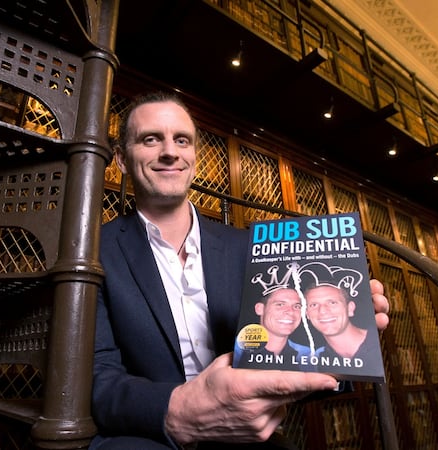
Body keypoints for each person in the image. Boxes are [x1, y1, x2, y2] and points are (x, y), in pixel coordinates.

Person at [91, 91, 390, 449]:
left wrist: (344, 347)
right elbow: (95, 377)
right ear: (122, 160)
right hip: (146, 437)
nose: (170, 151)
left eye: (182, 140)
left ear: (195, 159)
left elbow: (284, 360)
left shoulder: (249, 248)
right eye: (151, 139)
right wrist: (178, 411)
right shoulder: (95, 250)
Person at [300, 262, 383, 376]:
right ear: (307, 314)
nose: (323, 311)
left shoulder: (377, 345)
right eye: (314, 305)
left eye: (332, 302)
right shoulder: (319, 362)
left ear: (350, 308)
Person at [233, 276, 322, 370]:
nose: (290, 311)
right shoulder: (236, 350)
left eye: (296, 306)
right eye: (280, 304)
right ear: (260, 309)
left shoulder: (307, 354)